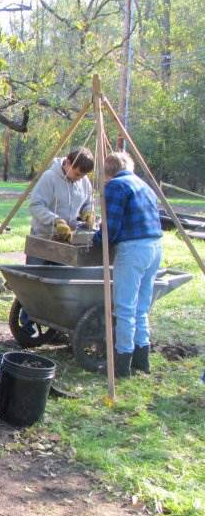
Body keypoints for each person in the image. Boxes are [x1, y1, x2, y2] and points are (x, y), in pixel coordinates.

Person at [92, 151, 163, 377]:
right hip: (155, 247)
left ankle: (121, 363)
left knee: (124, 307)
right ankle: (142, 359)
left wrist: (95, 240)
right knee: (141, 307)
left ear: (108, 172)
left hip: (133, 250)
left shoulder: (116, 186)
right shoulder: (143, 185)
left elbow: (109, 227)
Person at [27, 147, 95, 264]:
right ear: (68, 162)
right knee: (36, 277)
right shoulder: (49, 177)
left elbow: (88, 202)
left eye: (82, 176)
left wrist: (89, 211)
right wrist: (56, 220)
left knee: (59, 276)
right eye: (77, 174)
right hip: (43, 237)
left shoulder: (84, 181)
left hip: (67, 241)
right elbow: (35, 205)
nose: (79, 178)